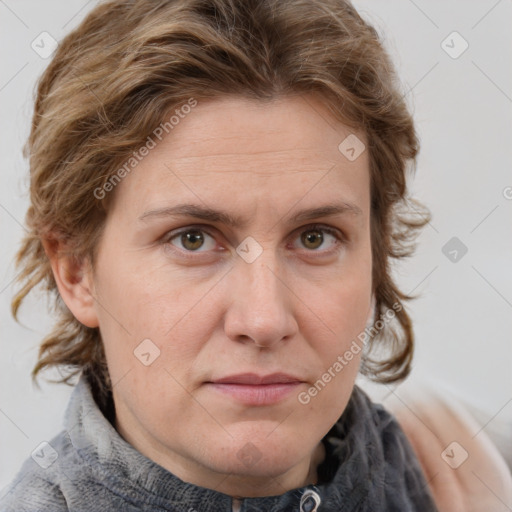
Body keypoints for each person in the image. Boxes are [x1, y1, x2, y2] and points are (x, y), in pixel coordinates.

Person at [1, 0, 504, 510]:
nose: (264, 320)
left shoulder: (475, 477)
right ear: (76, 271)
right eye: (192, 239)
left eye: (315, 238)